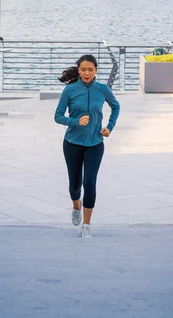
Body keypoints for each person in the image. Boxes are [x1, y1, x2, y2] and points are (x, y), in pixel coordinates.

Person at [54, 55, 120, 238]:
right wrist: (75, 121)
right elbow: (58, 116)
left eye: (90, 69)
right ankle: (76, 206)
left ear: (96, 70)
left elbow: (116, 107)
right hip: (72, 144)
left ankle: (87, 225)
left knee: (89, 182)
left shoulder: (103, 89)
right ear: (79, 70)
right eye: (83, 69)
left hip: (95, 143)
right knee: (75, 185)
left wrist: (110, 127)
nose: (86, 73)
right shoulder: (70, 90)